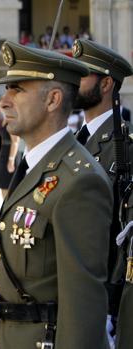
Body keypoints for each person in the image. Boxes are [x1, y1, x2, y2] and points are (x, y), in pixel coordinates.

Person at [0, 41, 112, 349]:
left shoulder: (79, 180)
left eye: (16, 89)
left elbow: (83, 305)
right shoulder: (34, 165)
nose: (3, 101)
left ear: (53, 99)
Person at [70, 39, 133, 349]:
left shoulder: (125, 147)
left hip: (106, 291)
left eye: (82, 75)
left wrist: (112, 302)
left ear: (106, 83)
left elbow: (124, 234)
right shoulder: (74, 141)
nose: (72, 81)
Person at [0, 101, 20, 199]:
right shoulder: (3, 121)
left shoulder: (11, 121)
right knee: (3, 186)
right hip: (3, 155)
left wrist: (11, 160)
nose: (2, 109)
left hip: (9, 156)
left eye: (4, 107)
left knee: (8, 187)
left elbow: (15, 142)